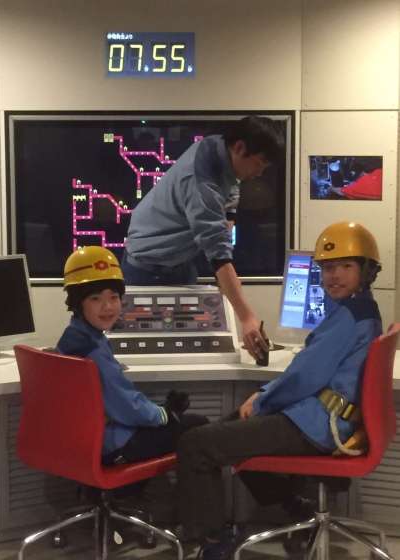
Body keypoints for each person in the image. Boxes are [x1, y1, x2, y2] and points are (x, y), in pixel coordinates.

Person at [175, 222, 382, 560]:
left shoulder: (348, 318)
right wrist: (266, 395)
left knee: (196, 443)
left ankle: (213, 542)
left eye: (345, 266)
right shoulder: (362, 311)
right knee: (231, 427)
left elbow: (303, 377)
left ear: (366, 270)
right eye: (328, 268)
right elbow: (310, 371)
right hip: (327, 419)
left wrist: (263, 398)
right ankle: (294, 509)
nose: (334, 276)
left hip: (318, 425)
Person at [122, 116, 284, 360]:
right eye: (259, 164)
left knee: (189, 354)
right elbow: (218, 253)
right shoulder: (201, 181)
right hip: (145, 269)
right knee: (144, 357)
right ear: (240, 147)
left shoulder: (219, 151)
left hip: (181, 264)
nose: (260, 173)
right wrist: (247, 318)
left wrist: (227, 279)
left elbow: (230, 197)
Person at [56, 245, 207, 465]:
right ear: (78, 302)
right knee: (199, 427)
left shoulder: (73, 336)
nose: (108, 307)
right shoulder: (92, 351)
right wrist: (165, 414)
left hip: (83, 439)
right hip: (111, 444)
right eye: (95, 299)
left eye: (114, 297)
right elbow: (126, 406)